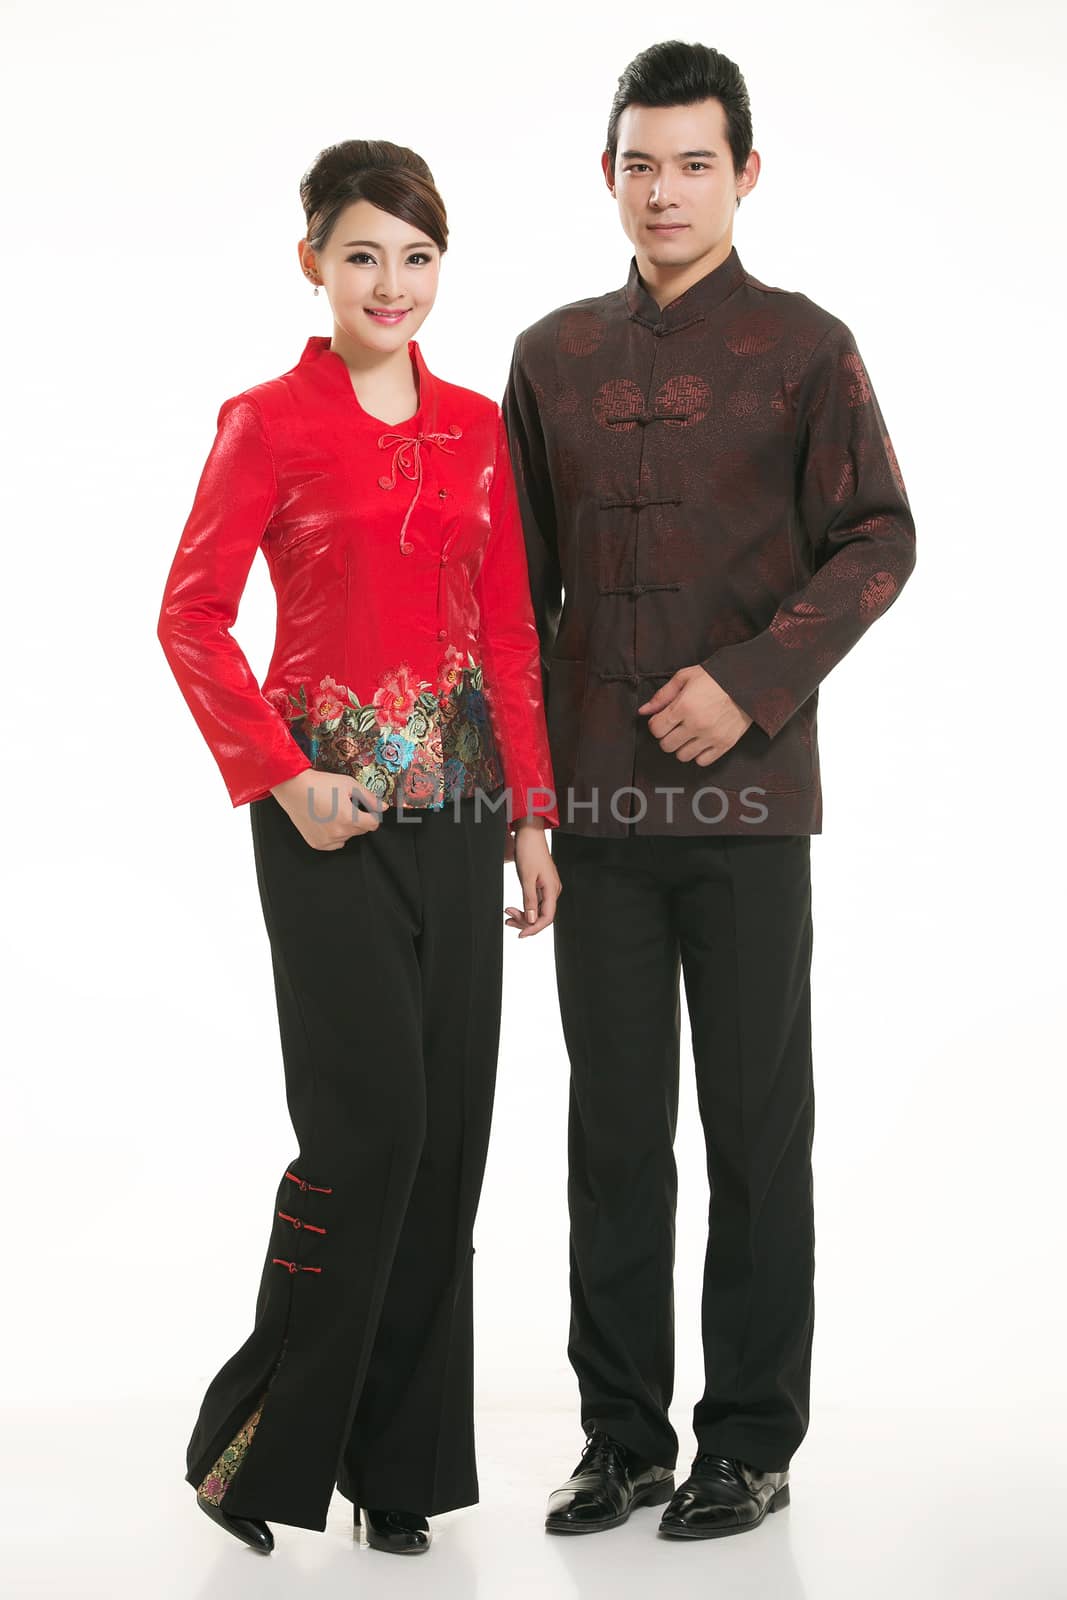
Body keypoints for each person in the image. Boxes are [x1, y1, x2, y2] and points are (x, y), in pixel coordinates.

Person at [502, 41, 916, 1541]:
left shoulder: (806, 348)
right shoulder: (548, 357)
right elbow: (513, 595)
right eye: (639, 162)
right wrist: (527, 808)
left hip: (747, 813)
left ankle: (749, 1438)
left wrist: (754, 675)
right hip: (597, 819)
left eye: (694, 162)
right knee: (612, 1137)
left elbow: (879, 536)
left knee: (753, 1130)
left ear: (747, 173)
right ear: (605, 176)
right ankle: (623, 1438)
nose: (664, 189)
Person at [157, 138, 561, 1557]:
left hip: (461, 820)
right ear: (314, 261)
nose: (392, 283)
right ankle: (249, 1443)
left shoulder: (474, 428)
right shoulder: (264, 422)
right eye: (364, 253)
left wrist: (531, 813)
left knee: (445, 1147)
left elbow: (510, 628)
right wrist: (282, 780)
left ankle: (402, 1469)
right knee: (370, 1128)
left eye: (418, 256)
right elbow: (192, 615)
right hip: (324, 826)